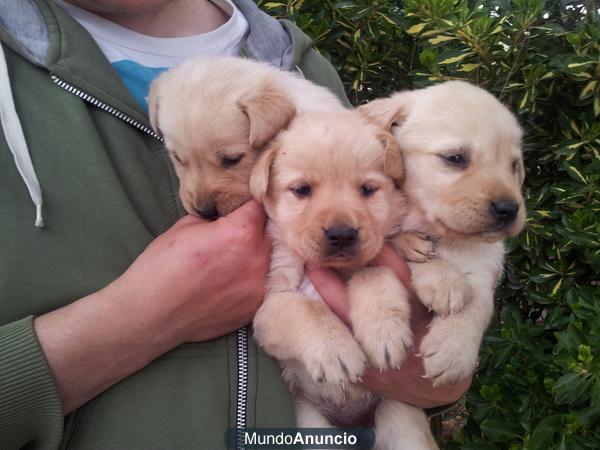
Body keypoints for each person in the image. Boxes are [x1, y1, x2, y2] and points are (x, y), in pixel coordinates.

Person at [0, 1, 470, 448]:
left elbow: (399, 230)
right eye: (179, 161)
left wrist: (443, 353)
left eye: (229, 160)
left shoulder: (304, 69)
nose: (198, 197)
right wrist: (143, 318)